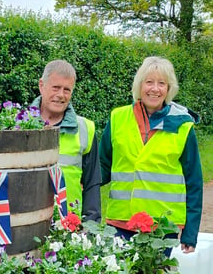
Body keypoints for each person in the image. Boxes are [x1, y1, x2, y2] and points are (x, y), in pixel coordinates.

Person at [99, 56, 202, 252]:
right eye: (149, 82)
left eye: (161, 83)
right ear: (139, 86)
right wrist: (77, 184)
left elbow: (194, 182)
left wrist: (190, 232)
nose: (155, 89)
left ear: (169, 89)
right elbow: (102, 165)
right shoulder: (117, 118)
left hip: (162, 226)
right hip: (122, 222)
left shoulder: (183, 125)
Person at [32, 60, 101, 222]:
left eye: (67, 90)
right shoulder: (17, 125)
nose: (61, 95)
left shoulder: (85, 128)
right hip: (28, 222)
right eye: (55, 88)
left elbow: (92, 184)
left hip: (69, 225)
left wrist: (91, 226)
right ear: (41, 85)